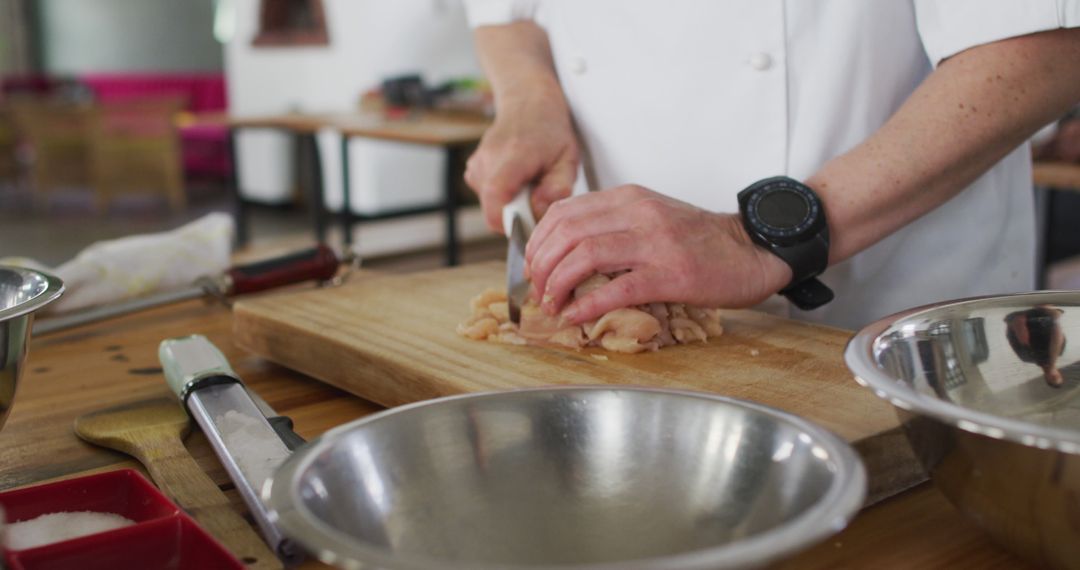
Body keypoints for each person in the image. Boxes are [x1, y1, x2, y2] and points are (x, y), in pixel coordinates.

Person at [460, 1, 1080, 330]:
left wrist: (758, 237)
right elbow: (503, 12)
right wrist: (528, 97)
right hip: (627, 314)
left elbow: (1046, 41)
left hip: (888, 318)